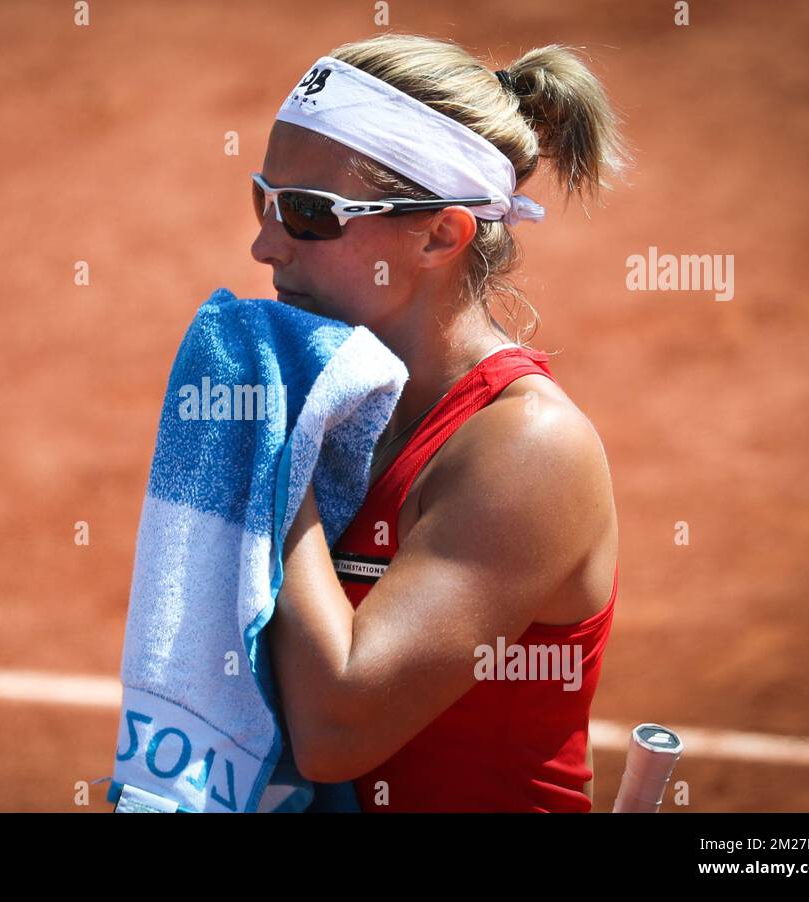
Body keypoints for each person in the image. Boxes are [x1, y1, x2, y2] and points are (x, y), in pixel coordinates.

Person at [255, 33, 629, 812]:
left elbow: (336, 728)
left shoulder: (527, 448)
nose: (265, 245)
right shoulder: (344, 402)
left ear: (438, 235)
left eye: (308, 214)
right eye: (264, 199)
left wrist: (276, 459)